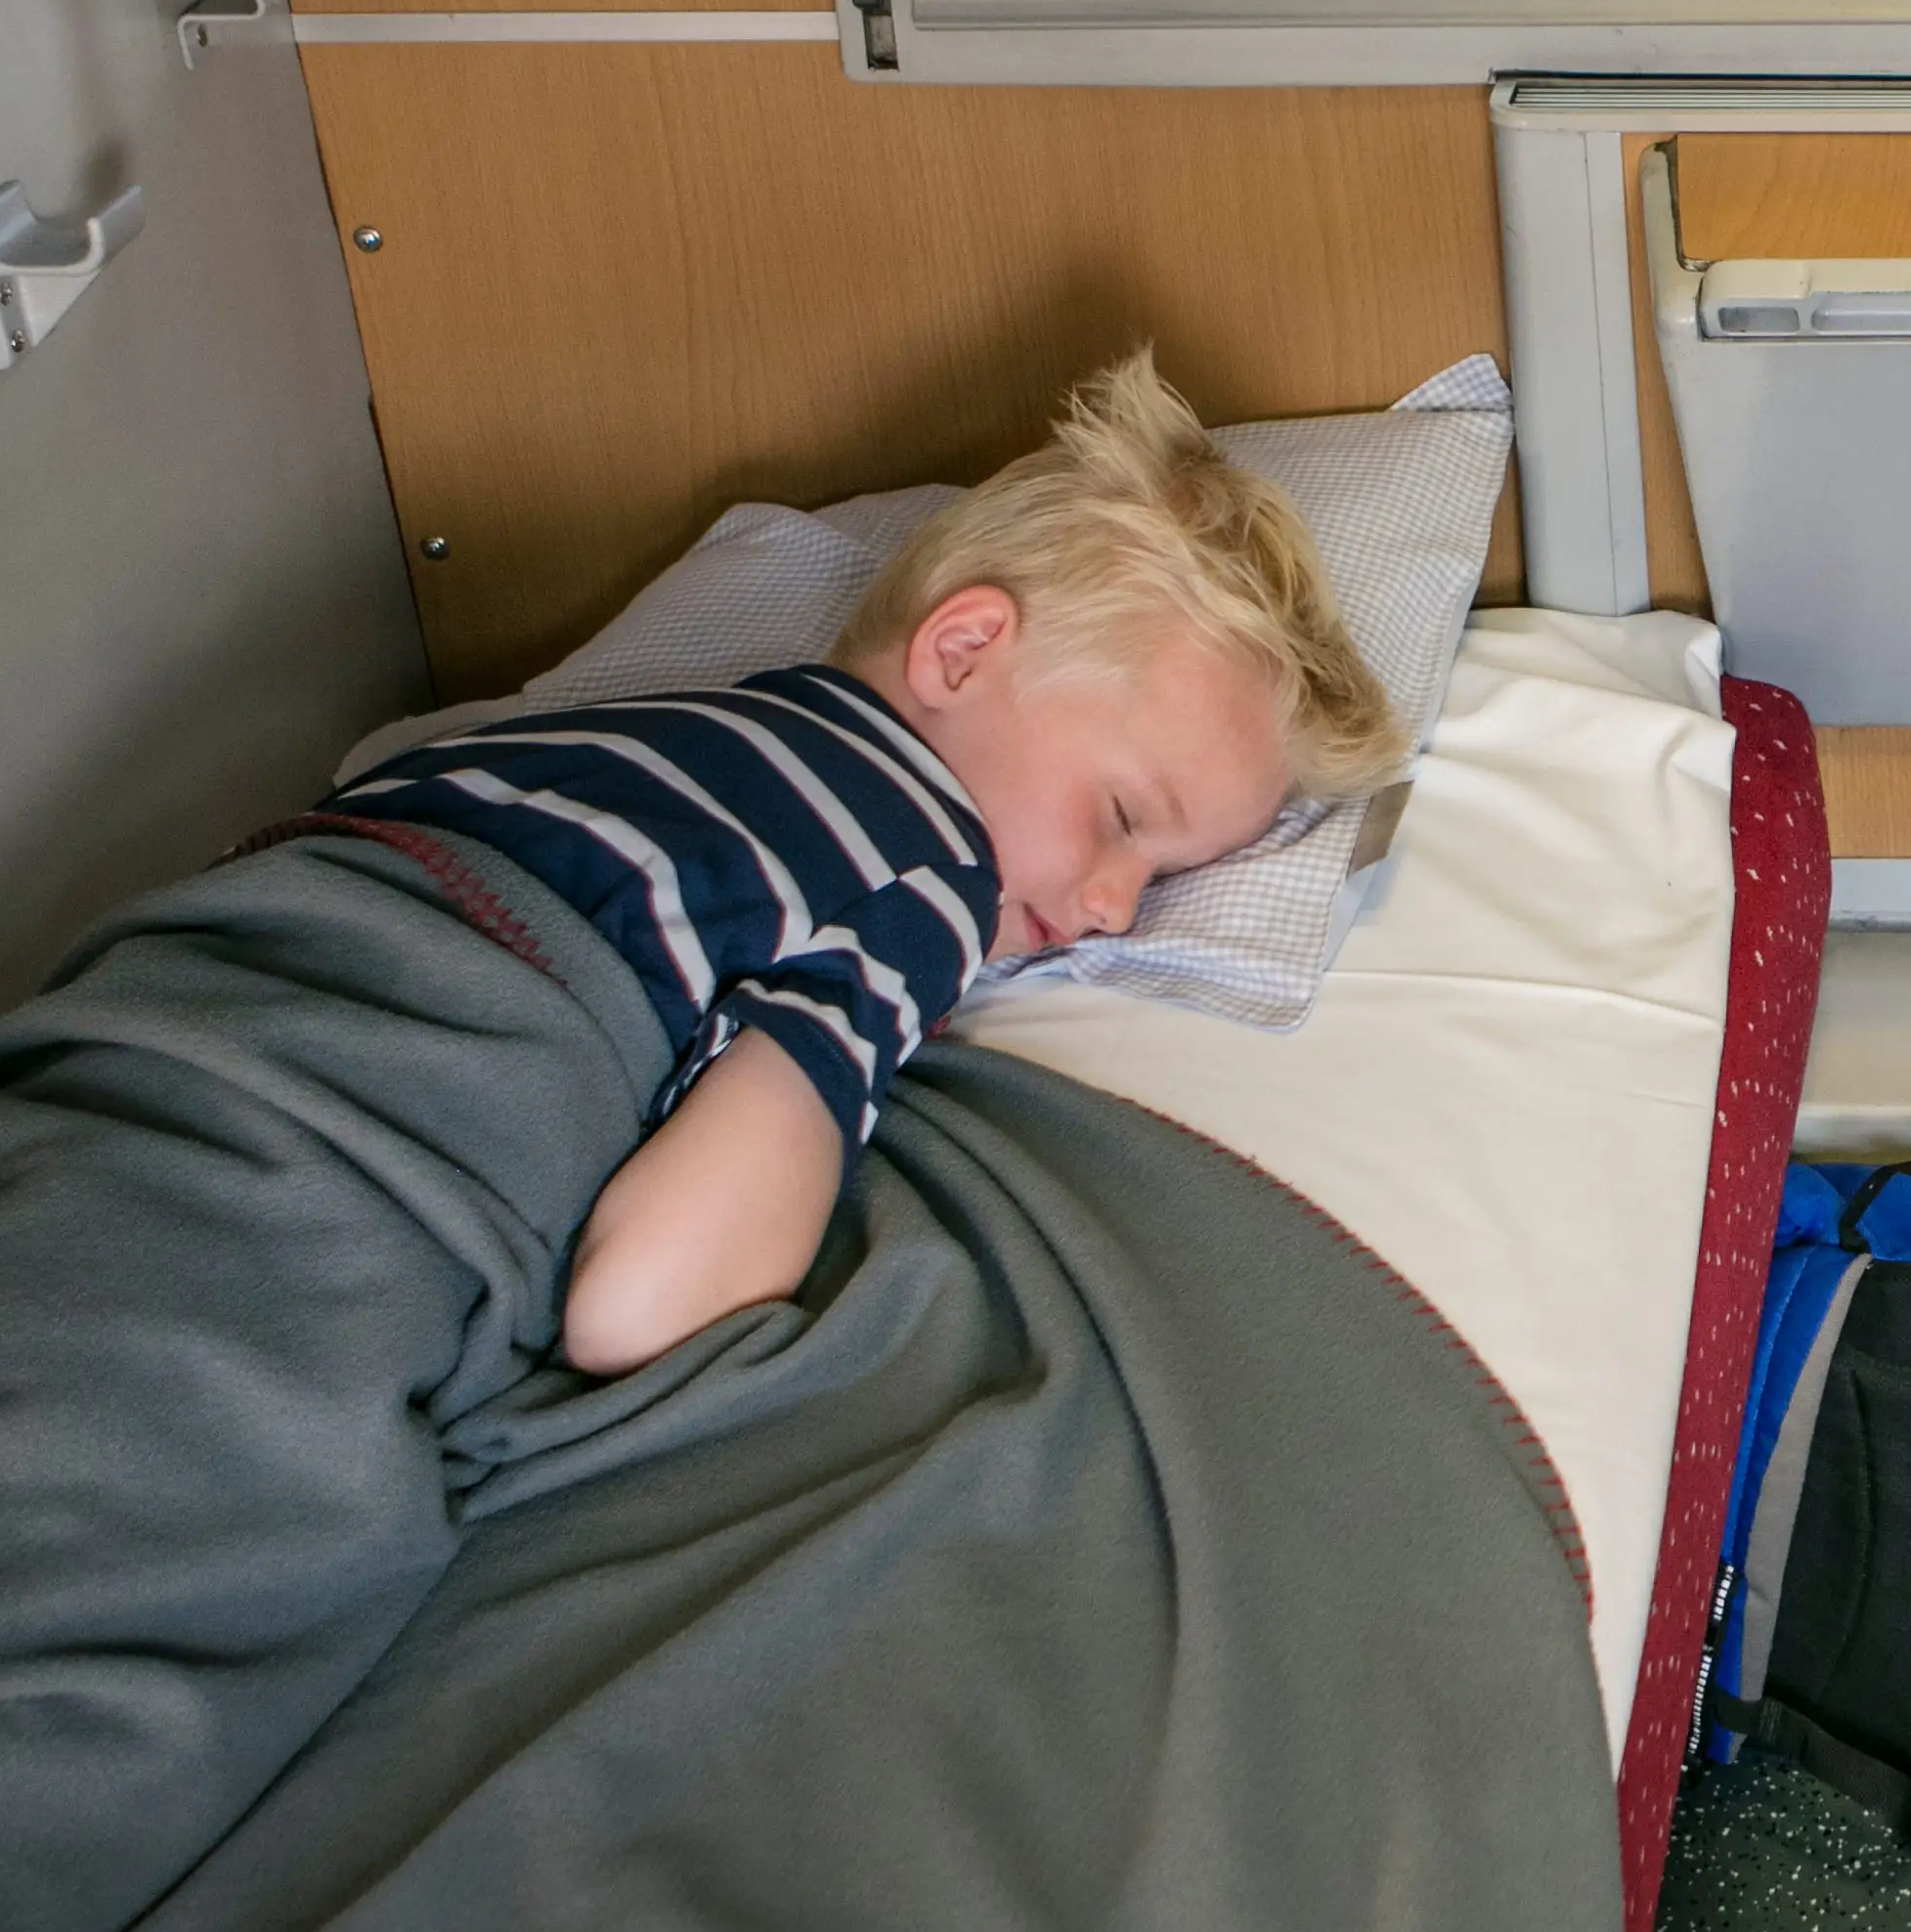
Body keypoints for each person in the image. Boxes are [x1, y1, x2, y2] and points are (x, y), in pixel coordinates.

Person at [328, 350, 1396, 1370]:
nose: (1118, 907)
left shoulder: (591, 733)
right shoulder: (918, 881)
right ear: (962, 652)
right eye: (1121, 816)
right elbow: (639, 1310)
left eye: (1162, 876)